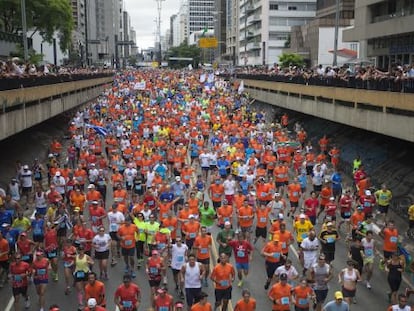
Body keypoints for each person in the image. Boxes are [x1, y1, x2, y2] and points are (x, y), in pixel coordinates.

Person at [74, 245, 94, 309]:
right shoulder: (76, 257)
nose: (81, 251)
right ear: (78, 251)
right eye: (80, 250)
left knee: (86, 289)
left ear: (84, 250)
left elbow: (92, 262)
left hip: (85, 273)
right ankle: (80, 303)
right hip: (78, 273)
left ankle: (87, 301)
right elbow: (74, 264)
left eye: (82, 250)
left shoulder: (86, 256)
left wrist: (89, 262)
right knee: (79, 289)